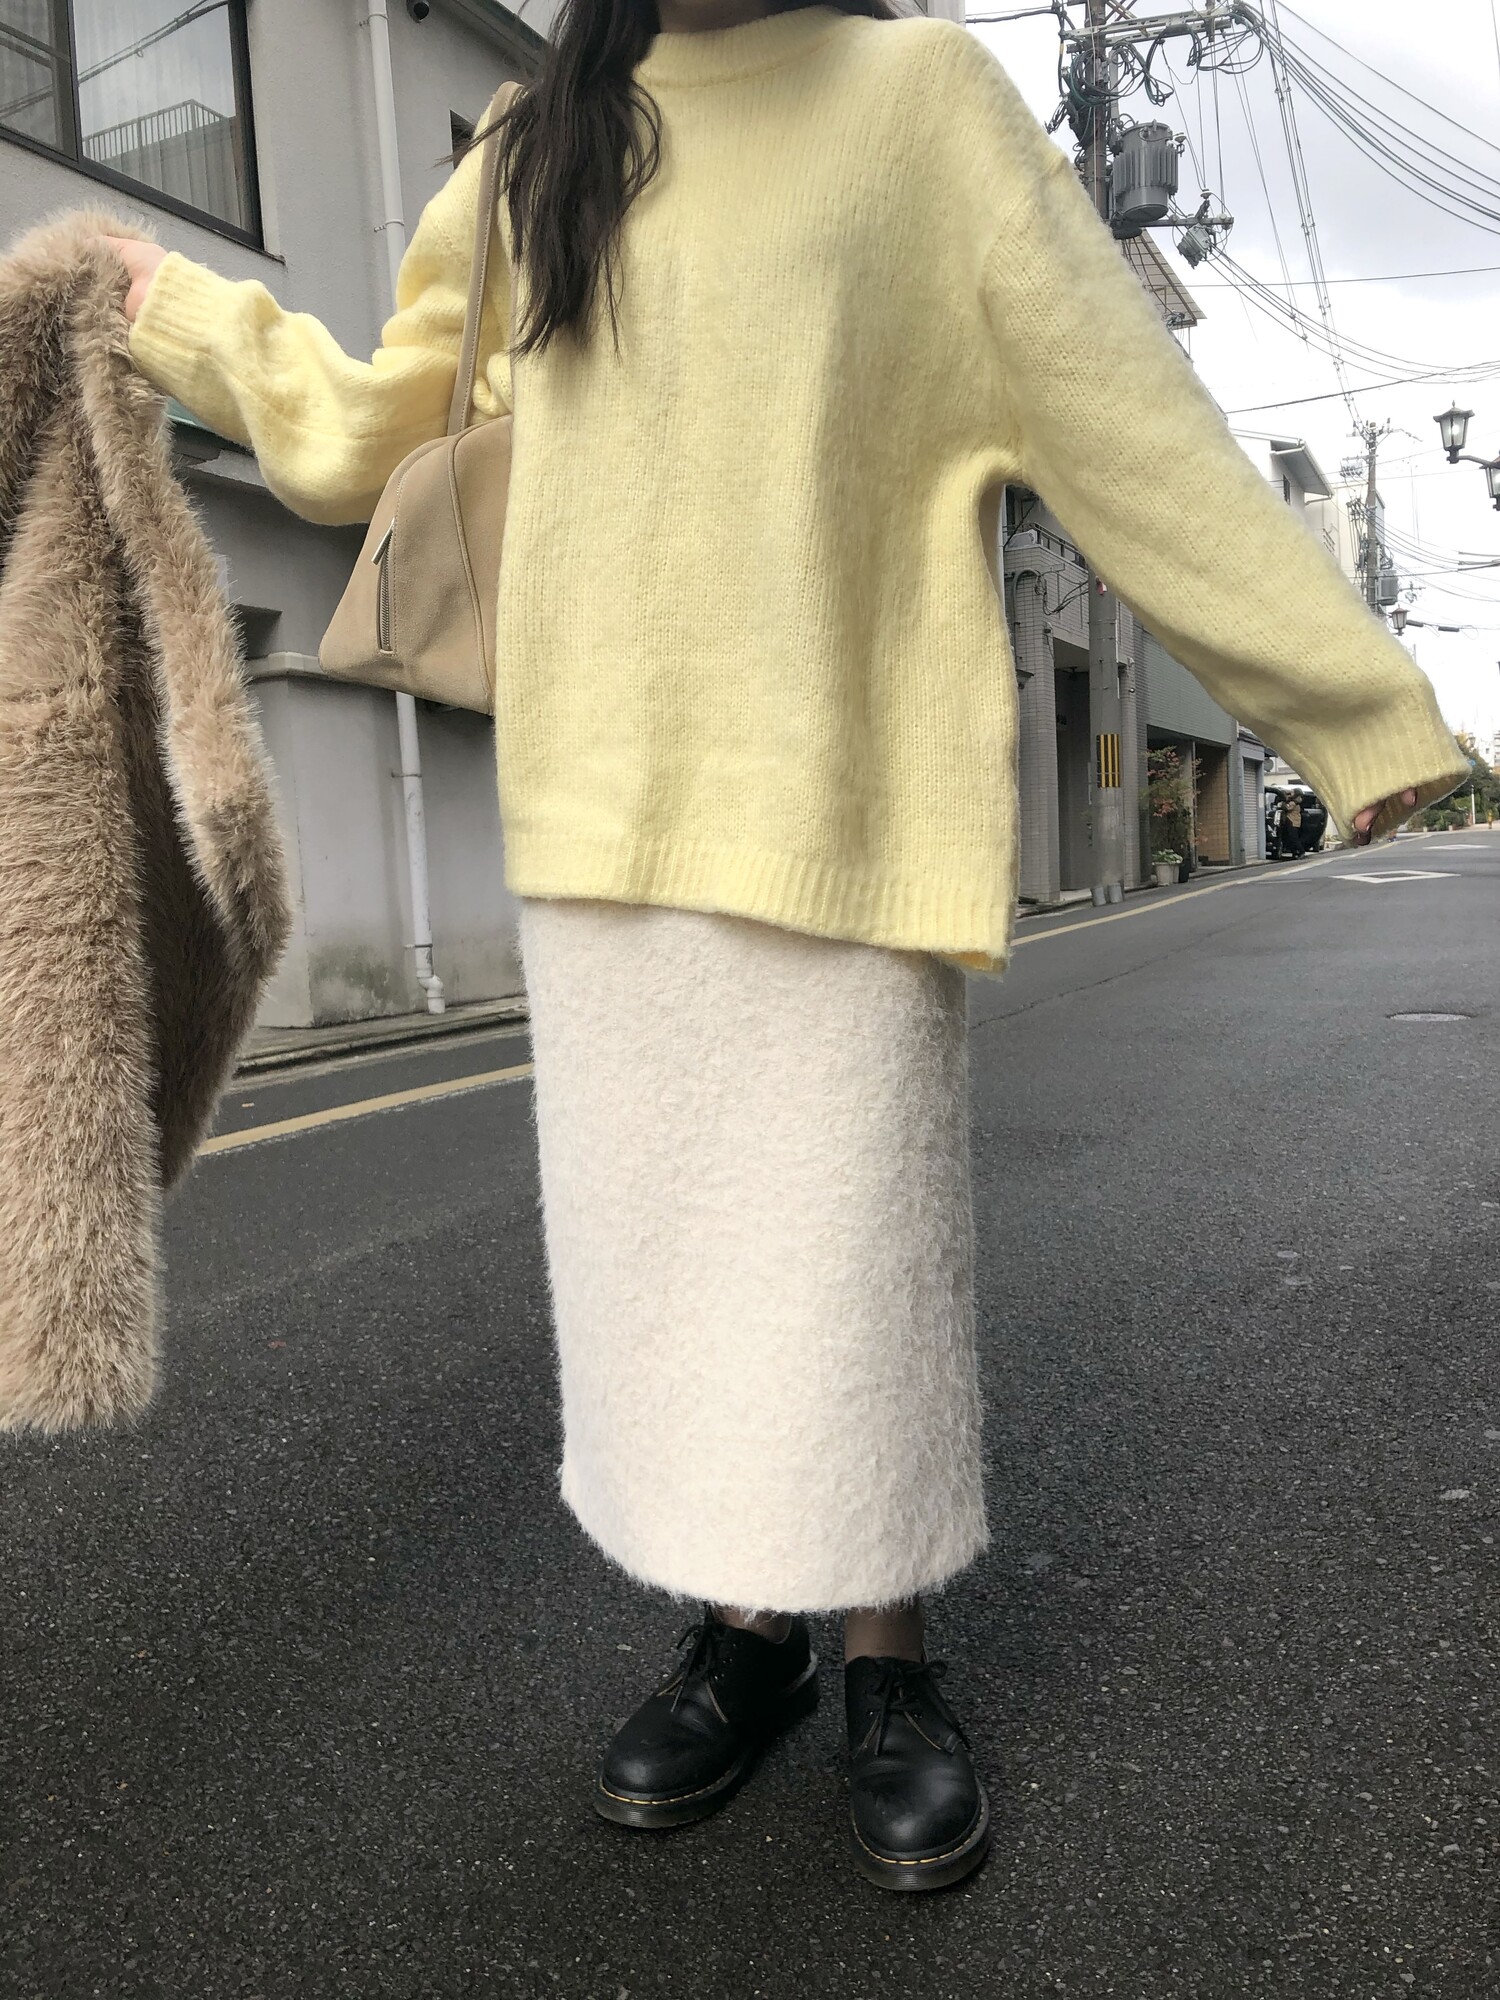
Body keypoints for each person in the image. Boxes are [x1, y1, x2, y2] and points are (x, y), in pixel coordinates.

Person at [104, 0, 1466, 1892]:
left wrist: (1356, 708)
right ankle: (747, 1639)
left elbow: (1131, 432)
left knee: (855, 1278)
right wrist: (154, 303)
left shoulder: (923, 109)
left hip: (845, 805)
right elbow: (361, 435)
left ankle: (886, 1662)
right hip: (604, 825)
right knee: (665, 1283)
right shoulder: (536, 148)